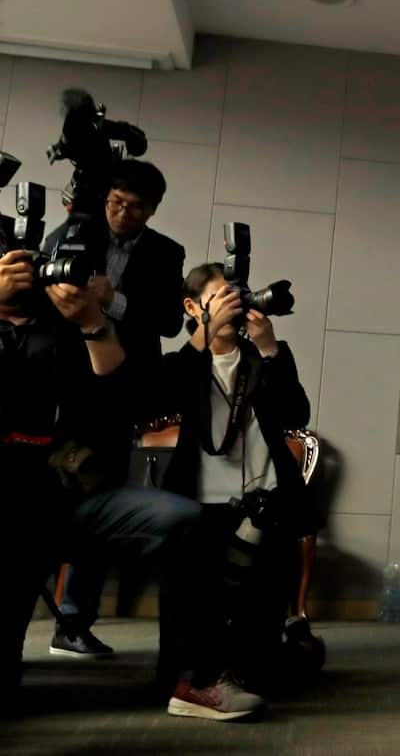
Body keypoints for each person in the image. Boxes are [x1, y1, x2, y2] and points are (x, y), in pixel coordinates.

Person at [0, 244, 198, 709]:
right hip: (8, 506)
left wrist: (93, 321)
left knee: (184, 521)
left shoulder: (64, 329)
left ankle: (184, 681)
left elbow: (125, 397)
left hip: (68, 497)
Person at [145, 262, 314, 720]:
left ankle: (251, 672)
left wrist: (269, 346)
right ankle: (192, 680)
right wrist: (203, 335)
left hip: (266, 493)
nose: (232, 307)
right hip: (201, 500)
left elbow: (296, 411)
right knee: (197, 597)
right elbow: (158, 398)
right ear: (192, 305)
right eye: (221, 297)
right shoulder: (183, 362)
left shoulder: (264, 356)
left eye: (235, 298)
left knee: (263, 593)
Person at [44, 159, 187, 658]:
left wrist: (115, 300)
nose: (122, 214)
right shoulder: (76, 232)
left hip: (122, 390)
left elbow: (171, 322)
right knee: (47, 497)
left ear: (152, 210)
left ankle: (73, 620)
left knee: (101, 497)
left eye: (134, 207)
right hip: (62, 384)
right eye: (115, 202)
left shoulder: (167, 253)